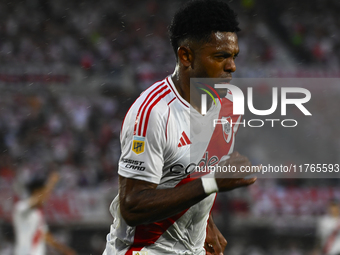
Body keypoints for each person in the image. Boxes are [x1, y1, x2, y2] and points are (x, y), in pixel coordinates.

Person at [103, 1, 257, 254]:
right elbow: (132, 207)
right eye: (220, 56)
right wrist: (211, 182)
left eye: (233, 56)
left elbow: (191, 176)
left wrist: (206, 224)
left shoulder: (229, 106)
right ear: (186, 56)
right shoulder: (153, 113)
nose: (232, 66)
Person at [13, 172, 77, 255]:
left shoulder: (37, 213)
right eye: (43, 191)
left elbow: (45, 236)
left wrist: (65, 250)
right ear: (36, 191)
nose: (47, 195)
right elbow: (39, 201)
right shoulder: (21, 207)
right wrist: (51, 183)